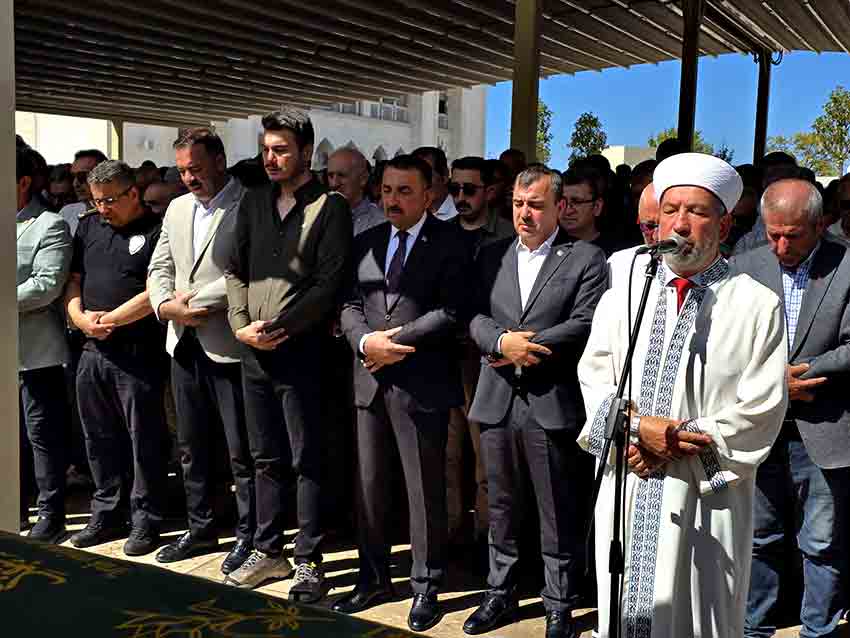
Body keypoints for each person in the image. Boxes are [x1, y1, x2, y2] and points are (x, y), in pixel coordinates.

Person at [577, 153, 788, 638]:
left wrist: (671, 440)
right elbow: (595, 377)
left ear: (724, 224)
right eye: (670, 210)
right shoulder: (626, 292)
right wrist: (635, 430)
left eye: (696, 212)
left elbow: (761, 410)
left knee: (699, 613)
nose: (680, 224)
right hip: (629, 479)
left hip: (706, 499)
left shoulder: (756, 305)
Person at [461, 165, 607, 638]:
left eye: (536, 205)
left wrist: (527, 346)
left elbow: (586, 322)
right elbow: (473, 315)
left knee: (556, 509)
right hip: (497, 399)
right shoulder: (491, 255)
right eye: (519, 204)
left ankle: (559, 604)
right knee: (500, 506)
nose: (525, 213)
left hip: (549, 400)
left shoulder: (586, 258)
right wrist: (500, 342)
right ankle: (499, 594)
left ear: (560, 207)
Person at [336, 155, 470, 632]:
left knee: (423, 490)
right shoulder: (366, 242)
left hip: (421, 384)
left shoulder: (452, 243)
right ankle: (373, 577)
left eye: (405, 191)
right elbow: (350, 304)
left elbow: (452, 311)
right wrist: (364, 342)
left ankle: (426, 586)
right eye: (388, 190)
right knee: (369, 486)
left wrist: (394, 343)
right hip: (370, 379)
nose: (393, 200)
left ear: (428, 195)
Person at [222, 109, 351, 599]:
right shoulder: (254, 201)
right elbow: (234, 269)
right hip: (254, 352)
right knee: (264, 457)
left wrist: (280, 327)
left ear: (306, 153)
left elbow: (328, 284)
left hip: (304, 353)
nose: (270, 159)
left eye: (281, 150)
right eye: (266, 150)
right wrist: (241, 325)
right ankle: (268, 550)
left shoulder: (330, 207)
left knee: (306, 458)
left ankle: (308, 561)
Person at [732, 179, 850, 638]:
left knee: (821, 543)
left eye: (793, 236)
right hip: (758, 427)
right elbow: (724, 341)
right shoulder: (743, 266)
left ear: (820, 225)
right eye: (773, 234)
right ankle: (753, 628)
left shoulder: (846, 265)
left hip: (825, 427)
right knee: (757, 538)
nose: (781, 246)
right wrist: (769, 382)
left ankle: (818, 631)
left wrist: (801, 375)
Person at [147, 128, 256, 575]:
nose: (189, 178)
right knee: (191, 444)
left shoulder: (250, 204)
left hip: (228, 343)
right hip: (183, 342)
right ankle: (201, 527)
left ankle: (250, 535)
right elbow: (160, 265)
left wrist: (191, 303)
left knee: (241, 449)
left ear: (219, 162)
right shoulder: (177, 208)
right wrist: (164, 305)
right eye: (182, 171)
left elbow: (247, 270)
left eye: (195, 168)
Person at [65, 160, 169, 556]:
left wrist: (111, 320)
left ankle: (145, 519)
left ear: (133, 193)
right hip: (92, 349)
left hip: (137, 352)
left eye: (110, 200)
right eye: (96, 201)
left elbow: (156, 289)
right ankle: (106, 512)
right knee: (98, 437)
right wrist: (80, 318)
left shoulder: (157, 230)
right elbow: (73, 280)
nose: (102, 208)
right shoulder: (89, 227)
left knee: (144, 440)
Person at [445, 156, 514, 548]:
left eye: (469, 189)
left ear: (489, 191)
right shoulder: (441, 234)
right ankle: (450, 533)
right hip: (443, 357)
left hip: (487, 359)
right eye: (454, 188)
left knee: (485, 458)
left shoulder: (509, 236)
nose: (460, 197)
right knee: (448, 455)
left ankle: (486, 538)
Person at [16, 148, 73, 543]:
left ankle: (51, 516)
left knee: (42, 438)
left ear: (22, 182)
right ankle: (14, 508)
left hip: (36, 355)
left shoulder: (50, 225)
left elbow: (47, 285)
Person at [606, 182, 660, 290]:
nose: (656, 236)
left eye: (664, 226)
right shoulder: (619, 264)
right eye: (649, 227)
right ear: (638, 220)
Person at [560, 164, 622, 257]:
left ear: (597, 207)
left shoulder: (617, 254)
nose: (567, 210)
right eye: (562, 201)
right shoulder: (545, 247)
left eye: (577, 202)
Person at [327, 147, 385, 236]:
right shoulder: (317, 217)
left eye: (342, 175)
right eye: (330, 176)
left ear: (363, 179)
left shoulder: (381, 224)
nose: (334, 183)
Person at [59, 149, 108, 236]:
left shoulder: (120, 214)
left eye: (82, 176)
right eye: (72, 177)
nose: (75, 184)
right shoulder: (67, 212)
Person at [413, 146, 458, 221]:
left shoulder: (461, 213)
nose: (418, 183)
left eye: (426, 175)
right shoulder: (408, 213)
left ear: (445, 176)